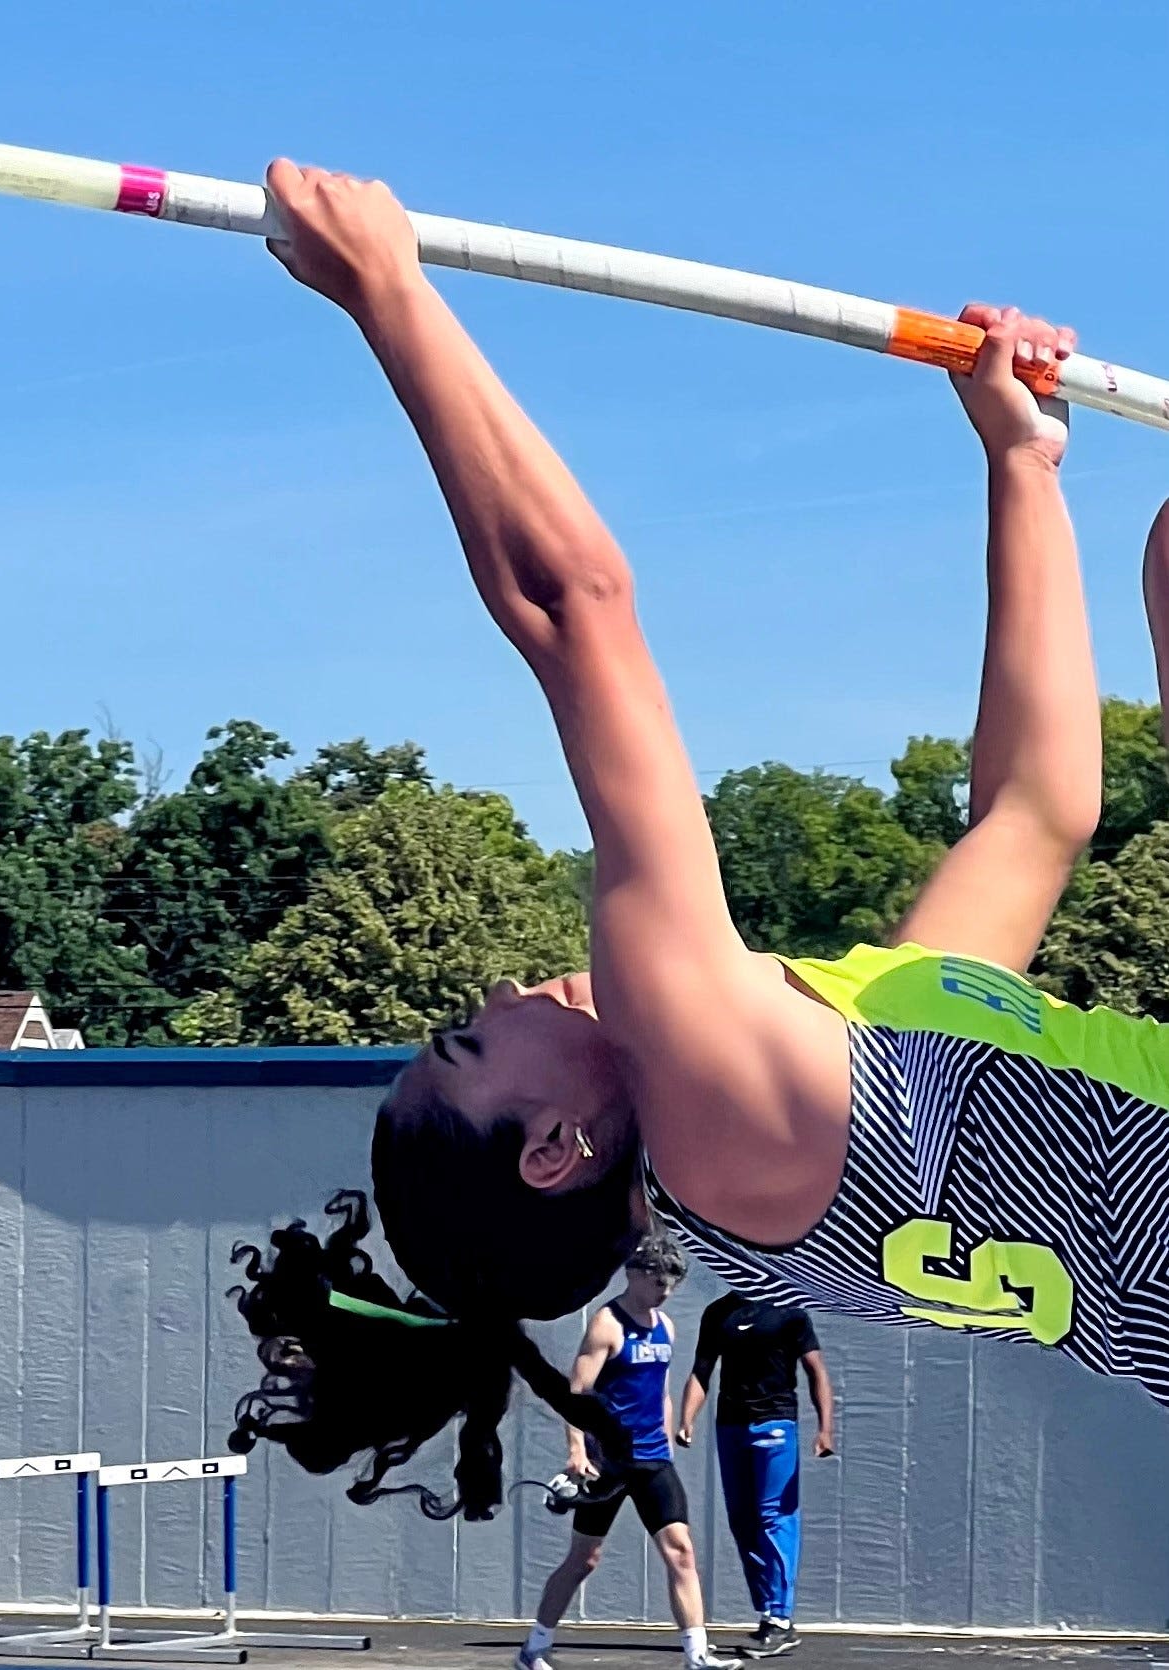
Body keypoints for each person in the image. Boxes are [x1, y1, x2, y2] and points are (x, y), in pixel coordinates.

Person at [230, 161, 1169, 1525]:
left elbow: (1035, 811)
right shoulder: (716, 1100)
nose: (493, 995)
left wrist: (1019, 467)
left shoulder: (848, 1098)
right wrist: (387, 293)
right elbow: (577, 609)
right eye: (470, 1043)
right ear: (555, 1145)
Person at [515, 1235, 726, 1670]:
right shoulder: (607, 1324)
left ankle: (697, 1654)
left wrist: (666, 1435)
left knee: (680, 1551)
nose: (663, 1293)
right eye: (656, 1283)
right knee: (583, 1560)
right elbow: (575, 1394)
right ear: (632, 1275)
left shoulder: (665, 1326)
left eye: (670, 1285)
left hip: (652, 1462)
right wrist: (577, 1452)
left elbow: (661, 1390)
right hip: (607, 1463)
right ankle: (534, 1648)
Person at [678, 1300, 833, 1659]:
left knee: (773, 1517)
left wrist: (826, 1429)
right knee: (742, 1521)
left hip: (775, 1423)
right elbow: (702, 1369)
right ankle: (769, 1611)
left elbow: (816, 1370)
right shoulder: (718, 1312)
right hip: (731, 1425)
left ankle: (780, 1617)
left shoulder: (790, 1312)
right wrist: (687, 1418)